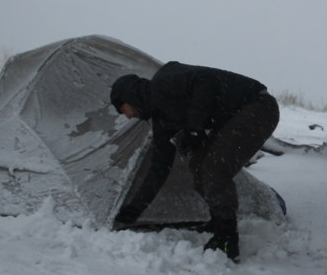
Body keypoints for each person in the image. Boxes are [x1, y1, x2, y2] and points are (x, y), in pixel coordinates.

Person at [109, 62, 279, 261]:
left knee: (215, 167)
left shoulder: (164, 79)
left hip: (257, 106)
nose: (128, 116)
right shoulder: (162, 123)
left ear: (130, 95)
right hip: (233, 117)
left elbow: (205, 80)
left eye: (123, 109)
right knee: (198, 165)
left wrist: (194, 127)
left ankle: (227, 238)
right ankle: (218, 221)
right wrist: (134, 209)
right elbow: (159, 168)